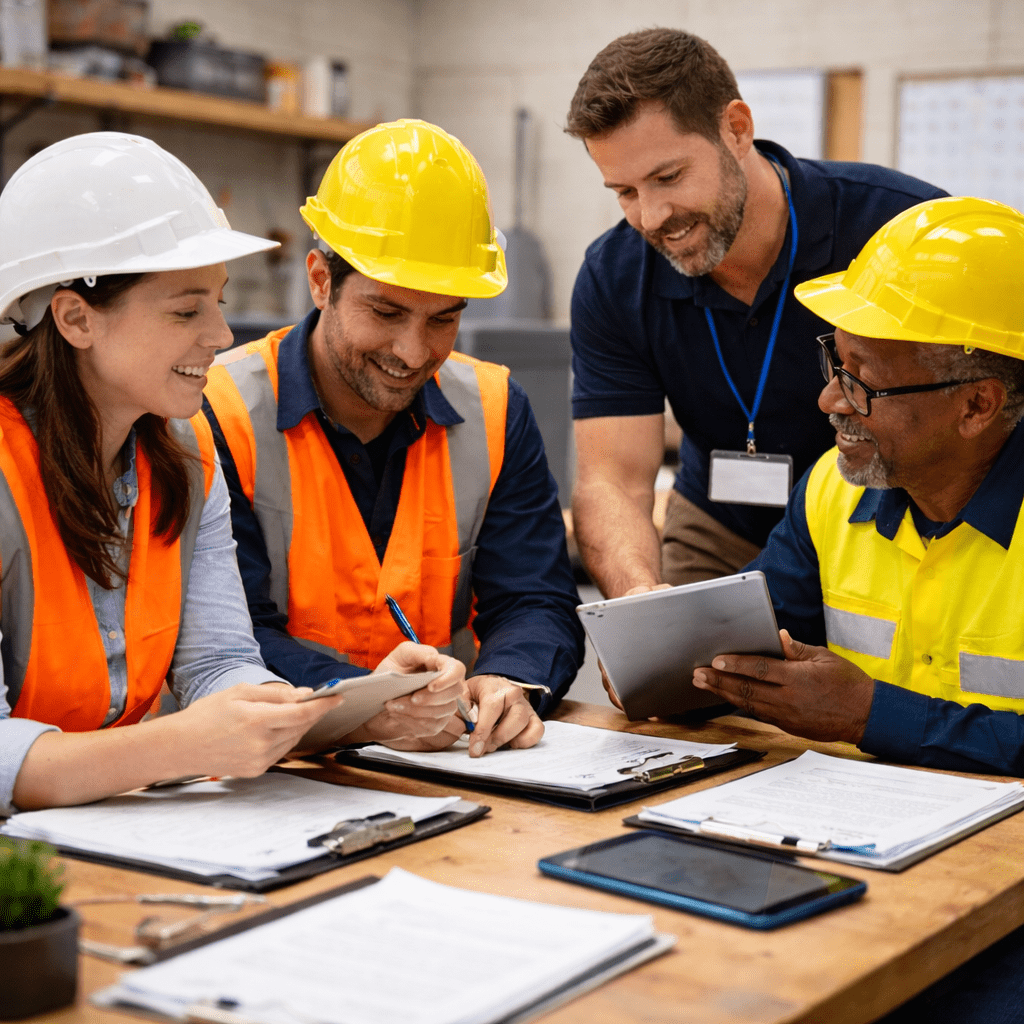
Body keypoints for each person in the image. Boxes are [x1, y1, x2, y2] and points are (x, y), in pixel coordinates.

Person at [0, 132, 465, 815]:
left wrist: (356, 707)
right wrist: (180, 747)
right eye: (187, 310)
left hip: (109, 833)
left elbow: (218, 669)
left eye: (217, 302)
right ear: (75, 318)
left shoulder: (185, 458)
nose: (221, 335)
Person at [692, 194, 1024, 1024]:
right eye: (832, 364)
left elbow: (858, 712)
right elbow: (762, 633)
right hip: (862, 857)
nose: (829, 404)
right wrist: (677, 661)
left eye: (862, 382)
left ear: (977, 405)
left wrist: (872, 714)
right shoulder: (833, 493)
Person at [202, 119, 584, 759]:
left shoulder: (495, 409)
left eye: (444, 319)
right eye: (386, 313)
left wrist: (509, 680)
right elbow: (228, 638)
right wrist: (373, 703)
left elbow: (535, 598)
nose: (413, 352)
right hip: (278, 766)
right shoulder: (217, 412)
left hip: (455, 765)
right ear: (320, 280)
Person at [564, 27, 947, 595]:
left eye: (668, 177)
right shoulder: (615, 276)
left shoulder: (901, 230)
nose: (650, 216)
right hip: (723, 522)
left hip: (889, 513)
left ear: (737, 130)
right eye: (623, 191)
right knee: (679, 676)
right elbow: (613, 483)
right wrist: (641, 604)